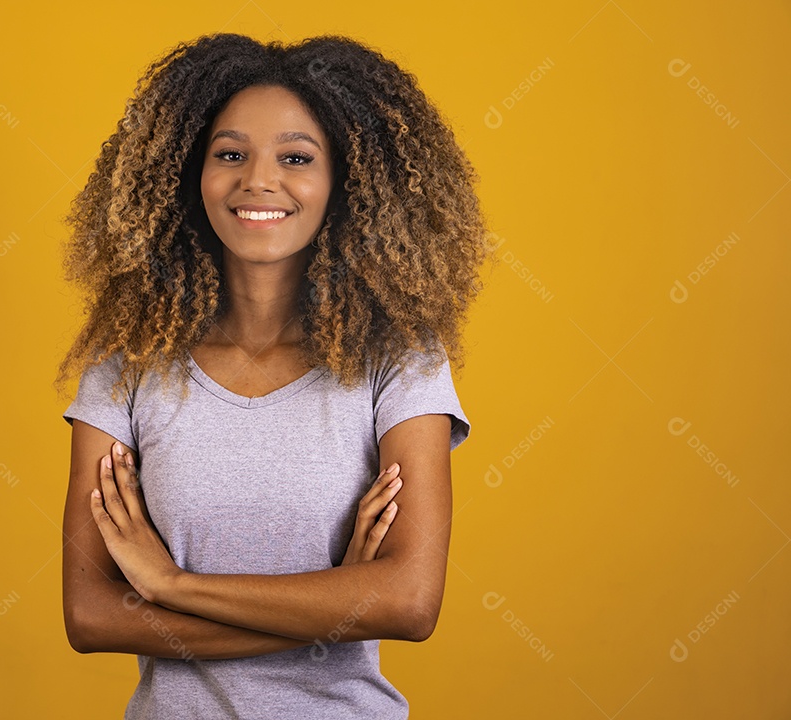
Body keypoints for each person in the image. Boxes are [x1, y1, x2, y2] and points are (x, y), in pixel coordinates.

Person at [55, 32, 491, 719]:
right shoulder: (127, 362)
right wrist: (336, 600)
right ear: (185, 175)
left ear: (345, 181)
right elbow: (90, 615)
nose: (258, 180)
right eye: (230, 154)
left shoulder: (401, 360)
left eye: (296, 157)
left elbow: (408, 600)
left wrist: (169, 585)